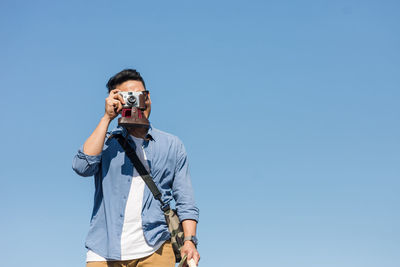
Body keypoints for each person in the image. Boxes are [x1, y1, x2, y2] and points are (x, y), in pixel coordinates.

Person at [72, 69, 200, 267]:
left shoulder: (172, 145)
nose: (137, 101)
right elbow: (82, 166)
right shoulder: (106, 142)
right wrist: (106, 118)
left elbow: (185, 200)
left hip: (155, 247)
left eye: (141, 95)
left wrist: (190, 242)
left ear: (148, 97)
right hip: (104, 250)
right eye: (128, 97)